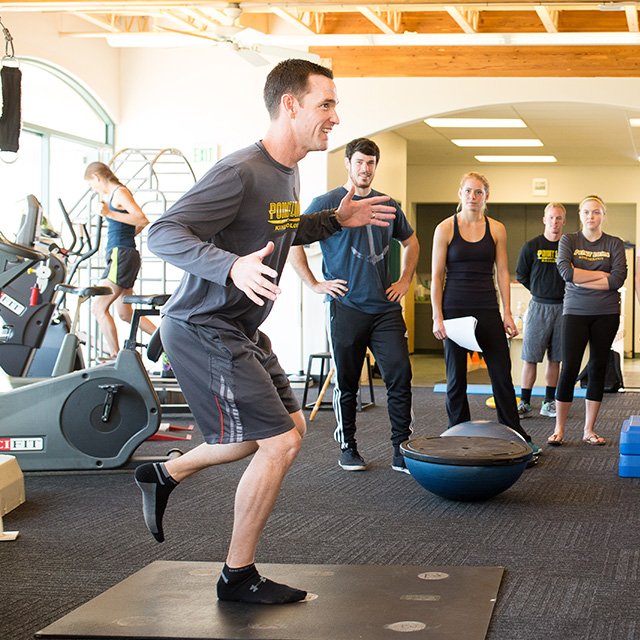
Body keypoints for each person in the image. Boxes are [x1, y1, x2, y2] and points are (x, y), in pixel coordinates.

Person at [135, 59, 396, 605]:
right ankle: (237, 576)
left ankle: (165, 472)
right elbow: (162, 233)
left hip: (241, 328)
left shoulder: (288, 169)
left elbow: (277, 225)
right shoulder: (242, 170)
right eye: (326, 104)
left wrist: (333, 221)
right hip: (204, 326)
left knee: (289, 428)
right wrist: (229, 267)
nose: (335, 117)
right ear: (291, 105)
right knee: (276, 442)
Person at [289, 137, 419, 474]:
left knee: (400, 375)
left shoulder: (386, 203)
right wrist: (315, 284)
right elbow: (292, 241)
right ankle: (348, 447)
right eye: (359, 162)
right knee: (347, 382)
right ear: (348, 163)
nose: (365, 169)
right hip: (345, 306)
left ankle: (401, 449)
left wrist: (404, 279)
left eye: (371, 163)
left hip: (385, 308)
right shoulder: (328, 203)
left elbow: (411, 241)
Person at [431, 172, 541, 456]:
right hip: (454, 310)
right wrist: (436, 316)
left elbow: (502, 271)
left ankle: (515, 433)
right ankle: (457, 432)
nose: (473, 197)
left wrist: (506, 312)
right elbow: (435, 276)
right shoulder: (445, 228)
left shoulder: (497, 229)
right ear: (460, 194)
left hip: (486, 308)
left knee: (501, 375)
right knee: (456, 378)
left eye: (478, 192)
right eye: (468, 191)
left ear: (486, 196)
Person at [547, 195, 627, 447]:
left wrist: (583, 277)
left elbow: (617, 280)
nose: (591, 217)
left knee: (597, 368)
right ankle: (559, 429)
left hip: (606, 313)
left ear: (603, 215)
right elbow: (566, 273)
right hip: (575, 312)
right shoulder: (569, 240)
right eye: (586, 212)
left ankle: (589, 430)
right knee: (569, 367)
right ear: (580, 215)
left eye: (596, 212)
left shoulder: (614, 243)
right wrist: (600, 274)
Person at [84, 162, 157, 358]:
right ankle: (166, 342)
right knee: (125, 313)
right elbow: (134, 224)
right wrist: (125, 235)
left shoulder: (119, 192)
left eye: (92, 184)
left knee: (98, 307)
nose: (94, 189)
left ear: (97, 178)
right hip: (123, 254)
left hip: (121, 256)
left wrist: (109, 214)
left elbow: (142, 219)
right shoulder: (111, 195)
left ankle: (115, 357)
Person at [515, 202, 567, 418]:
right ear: (544, 219)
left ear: (563, 221)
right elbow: (521, 275)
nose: (554, 222)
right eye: (551, 217)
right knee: (530, 357)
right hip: (538, 307)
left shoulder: (568, 247)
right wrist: (539, 289)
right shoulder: (531, 246)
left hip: (563, 308)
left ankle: (548, 402)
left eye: (559, 218)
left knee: (556, 359)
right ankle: (524, 402)